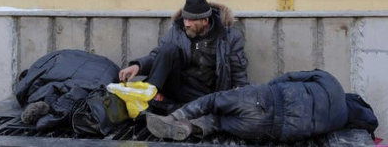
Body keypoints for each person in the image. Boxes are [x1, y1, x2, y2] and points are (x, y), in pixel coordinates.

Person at [119, 0, 249, 112]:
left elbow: (238, 73)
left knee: (205, 108)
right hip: (179, 86)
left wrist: (245, 100)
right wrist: (138, 66)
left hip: (206, 94)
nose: (186, 23)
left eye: (191, 20)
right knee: (168, 49)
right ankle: (151, 97)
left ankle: (171, 109)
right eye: (185, 18)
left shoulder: (228, 37)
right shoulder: (177, 31)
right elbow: (159, 57)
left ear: (205, 20)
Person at [146, 70, 355, 143]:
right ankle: (191, 128)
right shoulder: (337, 122)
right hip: (267, 130)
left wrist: (268, 89)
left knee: (213, 101)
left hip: (266, 98)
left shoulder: (331, 82)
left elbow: (290, 77)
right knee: (218, 122)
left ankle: (173, 118)